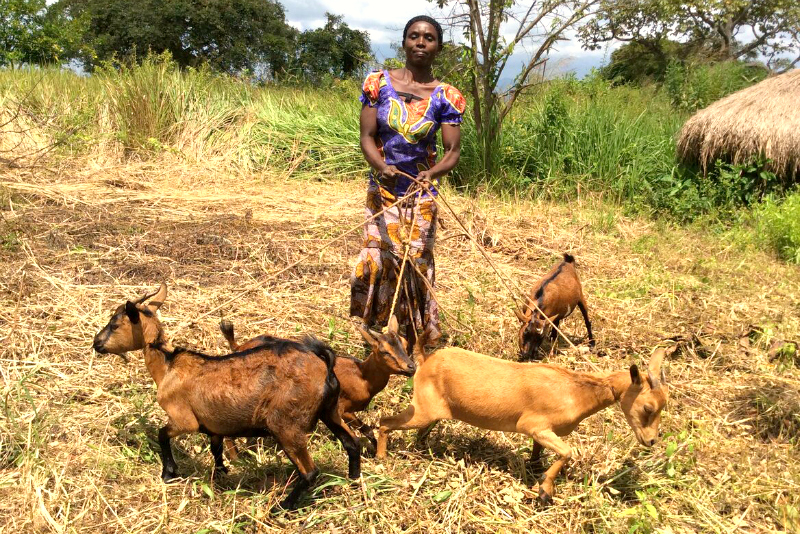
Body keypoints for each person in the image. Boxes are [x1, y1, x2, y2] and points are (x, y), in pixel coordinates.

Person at [350, 15, 466, 348]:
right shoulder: (378, 84)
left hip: (422, 192)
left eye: (428, 38)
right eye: (414, 36)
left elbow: (452, 151)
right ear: (403, 42)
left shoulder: (447, 96)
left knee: (416, 260)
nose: (420, 42)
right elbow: (367, 137)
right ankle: (375, 329)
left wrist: (432, 173)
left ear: (437, 47)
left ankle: (420, 333)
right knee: (381, 255)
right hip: (383, 188)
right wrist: (381, 166)